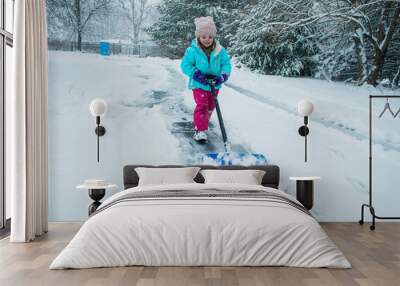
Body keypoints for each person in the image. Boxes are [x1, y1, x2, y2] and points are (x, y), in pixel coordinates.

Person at [180, 16, 232, 142]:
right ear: (198, 37)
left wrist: (223, 76)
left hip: (214, 84)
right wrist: (196, 74)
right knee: (202, 105)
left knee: (210, 106)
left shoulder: (220, 50)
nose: (207, 39)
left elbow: (226, 64)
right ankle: (200, 130)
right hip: (199, 84)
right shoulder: (192, 50)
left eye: (210, 36)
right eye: (203, 37)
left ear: (213, 36)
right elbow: (185, 65)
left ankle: (203, 123)